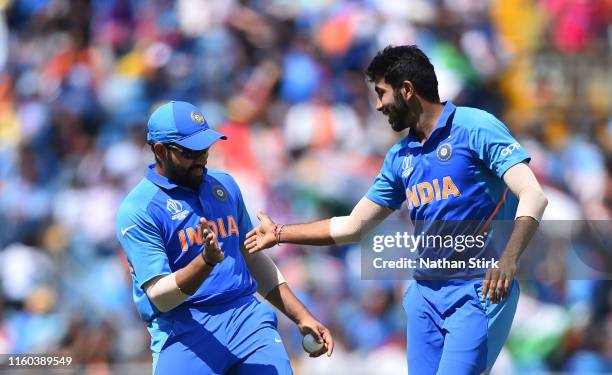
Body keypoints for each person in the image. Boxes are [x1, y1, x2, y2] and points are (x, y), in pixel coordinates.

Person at [245, 45, 548, 375]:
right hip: (425, 296)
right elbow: (353, 226)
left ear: (407, 90)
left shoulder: (475, 127)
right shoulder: (400, 157)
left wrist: (509, 258)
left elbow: (533, 194)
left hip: (480, 288)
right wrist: (279, 234)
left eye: (381, 93)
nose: (377, 105)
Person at [116, 100, 333, 375]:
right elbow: (161, 298)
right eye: (190, 151)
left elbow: (251, 256)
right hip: (184, 331)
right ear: (160, 151)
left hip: (247, 320)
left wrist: (301, 315)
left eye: (205, 147)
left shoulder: (224, 185)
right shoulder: (138, 209)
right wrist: (205, 262)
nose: (202, 158)